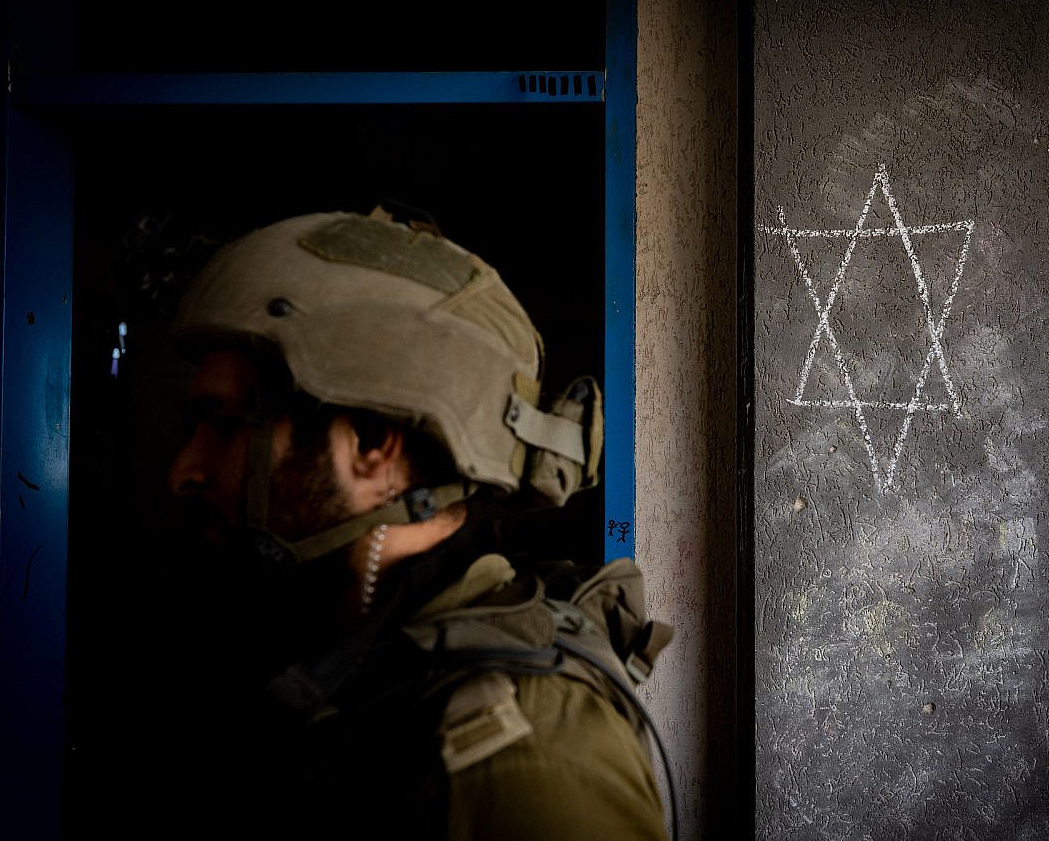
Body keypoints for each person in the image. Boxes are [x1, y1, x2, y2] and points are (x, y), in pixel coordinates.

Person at [159, 208, 671, 839]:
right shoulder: (344, 655)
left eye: (227, 423)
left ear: (373, 443)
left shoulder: (521, 755)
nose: (184, 469)